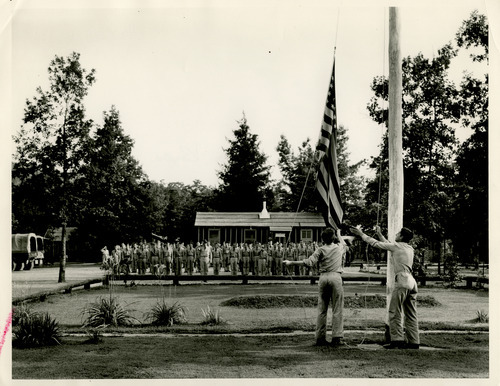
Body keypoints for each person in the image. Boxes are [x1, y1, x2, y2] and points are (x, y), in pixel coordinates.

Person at [350, 225, 420, 349]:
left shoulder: (397, 246)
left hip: (403, 281)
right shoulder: (409, 248)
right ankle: (414, 341)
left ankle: (397, 340)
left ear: (402, 236)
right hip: (412, 282)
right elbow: (388, 244)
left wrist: (361, 234)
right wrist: (380, 234)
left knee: (394, 311)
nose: (396, 234)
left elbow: (376, 244)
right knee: (411, 313)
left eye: (398, 233)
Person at [284, 228, 347, 347]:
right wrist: (339, 233)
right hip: (335, 276)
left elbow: (309, 262)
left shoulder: (320, 249)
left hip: (323, 277)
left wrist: (291, 262)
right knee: (337, 308)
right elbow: (344, 243)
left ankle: (320, 338)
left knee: (322, 309)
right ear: (333, 237)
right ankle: (336, 337)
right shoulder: (339, 248)